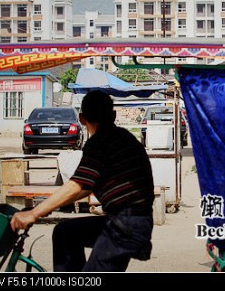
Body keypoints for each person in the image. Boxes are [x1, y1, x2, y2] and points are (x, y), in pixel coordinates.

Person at [11, 90, 155, 272]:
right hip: (131, 222)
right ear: (113, 115)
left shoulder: (100, 142)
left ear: (81, 118)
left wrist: (34, 213)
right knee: (65, 232)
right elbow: (84, 186)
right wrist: (46, 207)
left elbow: (78, 185)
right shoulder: (124, 137)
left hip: (125, 226)